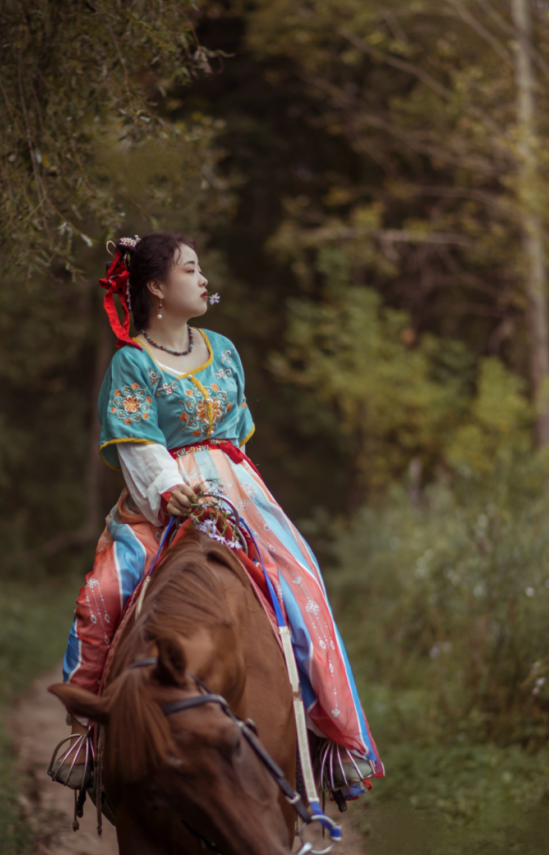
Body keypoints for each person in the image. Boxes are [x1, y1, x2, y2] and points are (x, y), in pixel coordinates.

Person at [55, 232, 382, 798]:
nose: (204, 279)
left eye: (201, 269)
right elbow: (139, 447)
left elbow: (233, 439)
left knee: (302, 583)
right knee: (105, 593)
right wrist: (168, 490)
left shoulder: (224, 351)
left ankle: (330, 737)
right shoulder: (130, 363)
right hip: (161, 499)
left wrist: (234, 494)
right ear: (156, 286)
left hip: (238, 492)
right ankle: (90, 731)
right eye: (190, 270)